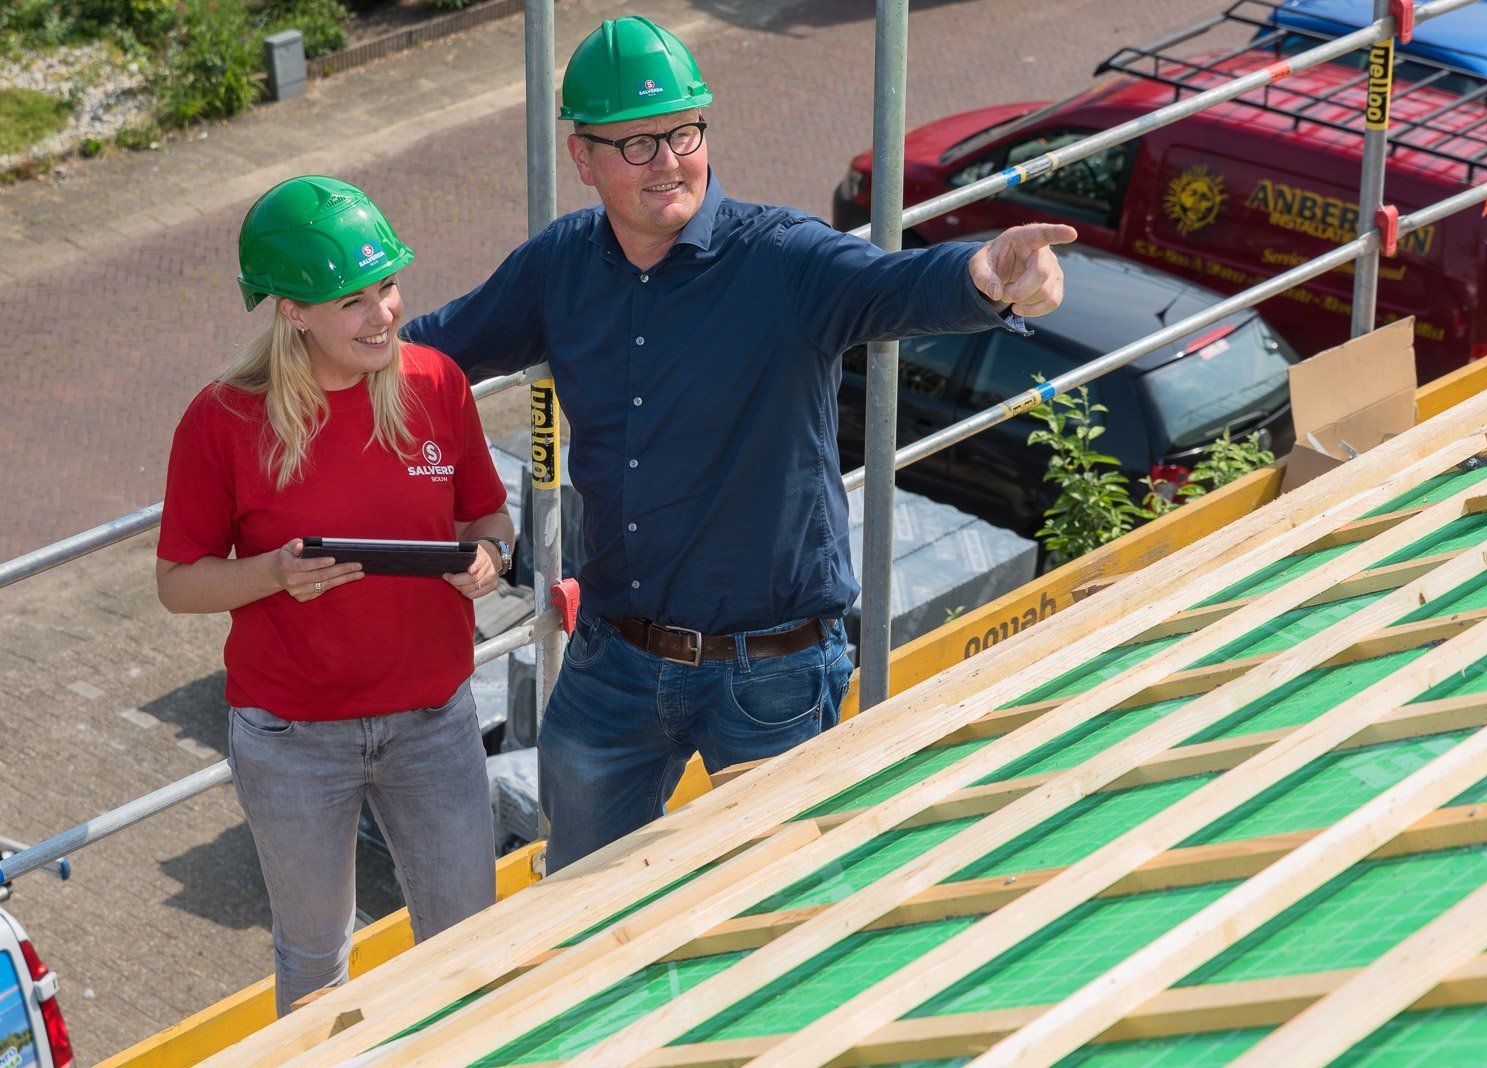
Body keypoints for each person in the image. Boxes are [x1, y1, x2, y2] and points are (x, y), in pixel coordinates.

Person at [401, 16, 1075, 873]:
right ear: (584, 159)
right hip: (614, 660)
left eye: (684, 133)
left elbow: (893, 285)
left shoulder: (781, 261)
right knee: (577, 898)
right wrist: (307, 367)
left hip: (774, 675)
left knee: (773, 910)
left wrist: (987, 279)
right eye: (638, 144)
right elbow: (430, 354)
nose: (669, 161)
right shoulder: (561, 266)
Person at [155, 176, 516, 1015]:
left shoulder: (437, 384)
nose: (384, 314)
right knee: (315, 963)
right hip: (293, 742)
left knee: (469, 946)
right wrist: (272, 573)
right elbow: (177, 583)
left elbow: (487, 514)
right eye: (352, 300)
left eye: (387, 286)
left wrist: (490, 557)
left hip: (435, 724)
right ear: (292, 313)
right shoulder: (222, 422)